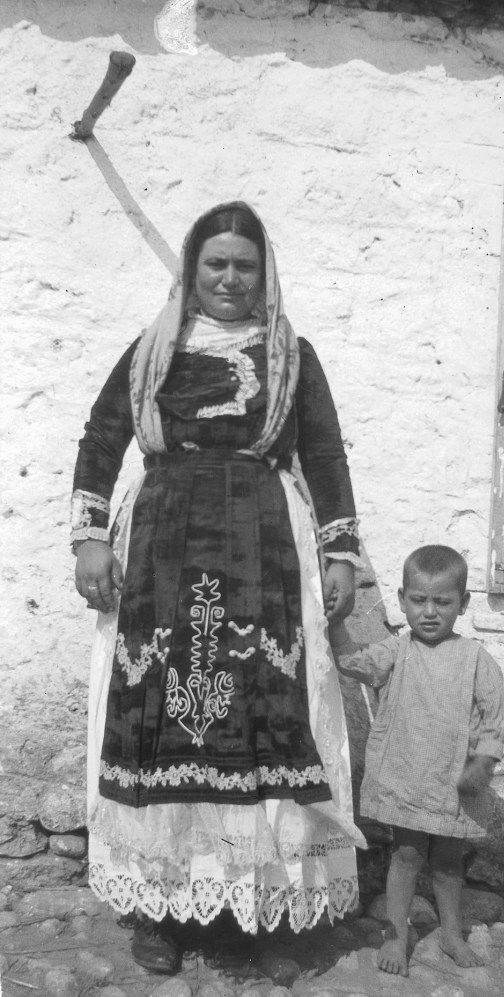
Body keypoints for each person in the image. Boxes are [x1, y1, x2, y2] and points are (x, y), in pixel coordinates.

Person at [72, 202, 366, 975]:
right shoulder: (153, 351)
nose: (230, 278)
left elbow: (326, 455)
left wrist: (340, 552)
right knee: (155, 714)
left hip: (263, 545)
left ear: (264, 275)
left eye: (245, 265)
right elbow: (102, 438)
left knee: (271, 713)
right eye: (216, 263)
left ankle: (265, 911)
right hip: (161, 544)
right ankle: (158, 909)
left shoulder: (291, 355)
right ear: (192, 269)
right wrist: (90, 536)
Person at [329, 545, 504, 977]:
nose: (430, 612)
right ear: (401, 599)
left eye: (443, 602)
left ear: (463, 603)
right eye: (418, 600)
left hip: (452, 786)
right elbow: (353, 662)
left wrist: (481, 763)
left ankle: (451, 933)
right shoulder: (398, 650)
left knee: (448, 863)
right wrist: (336, 624)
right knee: (406, 856)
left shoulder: (476, 659)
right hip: (407, 778)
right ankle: (395, 934)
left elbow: (495, 716)